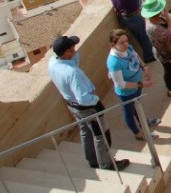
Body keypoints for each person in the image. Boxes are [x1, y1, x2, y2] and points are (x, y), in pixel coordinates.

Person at [48, 35, 129, 171]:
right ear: (67, 52)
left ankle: (92, 160)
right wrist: (96, 99)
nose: (75, 50)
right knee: (101, 135)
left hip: (72, 105)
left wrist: (72, 53)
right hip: (88, 107)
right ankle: (106, 164)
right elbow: (84, 99)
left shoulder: (53, 62)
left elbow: (73, 60)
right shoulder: (73, 73)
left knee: (85, 132)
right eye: (72, 48)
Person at [106, 29, 160, 141]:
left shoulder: (128, 48)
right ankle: (138, 133)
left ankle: (143, 122)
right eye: (121, 43)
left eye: (126, 41)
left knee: (137, 104)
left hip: (137, 87)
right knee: (129, 112)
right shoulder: (114, 62)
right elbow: (120, 84)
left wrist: (144, 67)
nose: (126, 44)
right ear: (113, 44)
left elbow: (136, 56)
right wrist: (141, 84)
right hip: (127, 92)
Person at [142, 0, 171, 100]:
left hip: (170, 49)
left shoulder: (157, 19)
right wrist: (168, 17)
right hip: (164, 53)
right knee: (168, 70)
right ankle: (170, 90)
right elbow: (170, 33)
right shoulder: (152, 27)